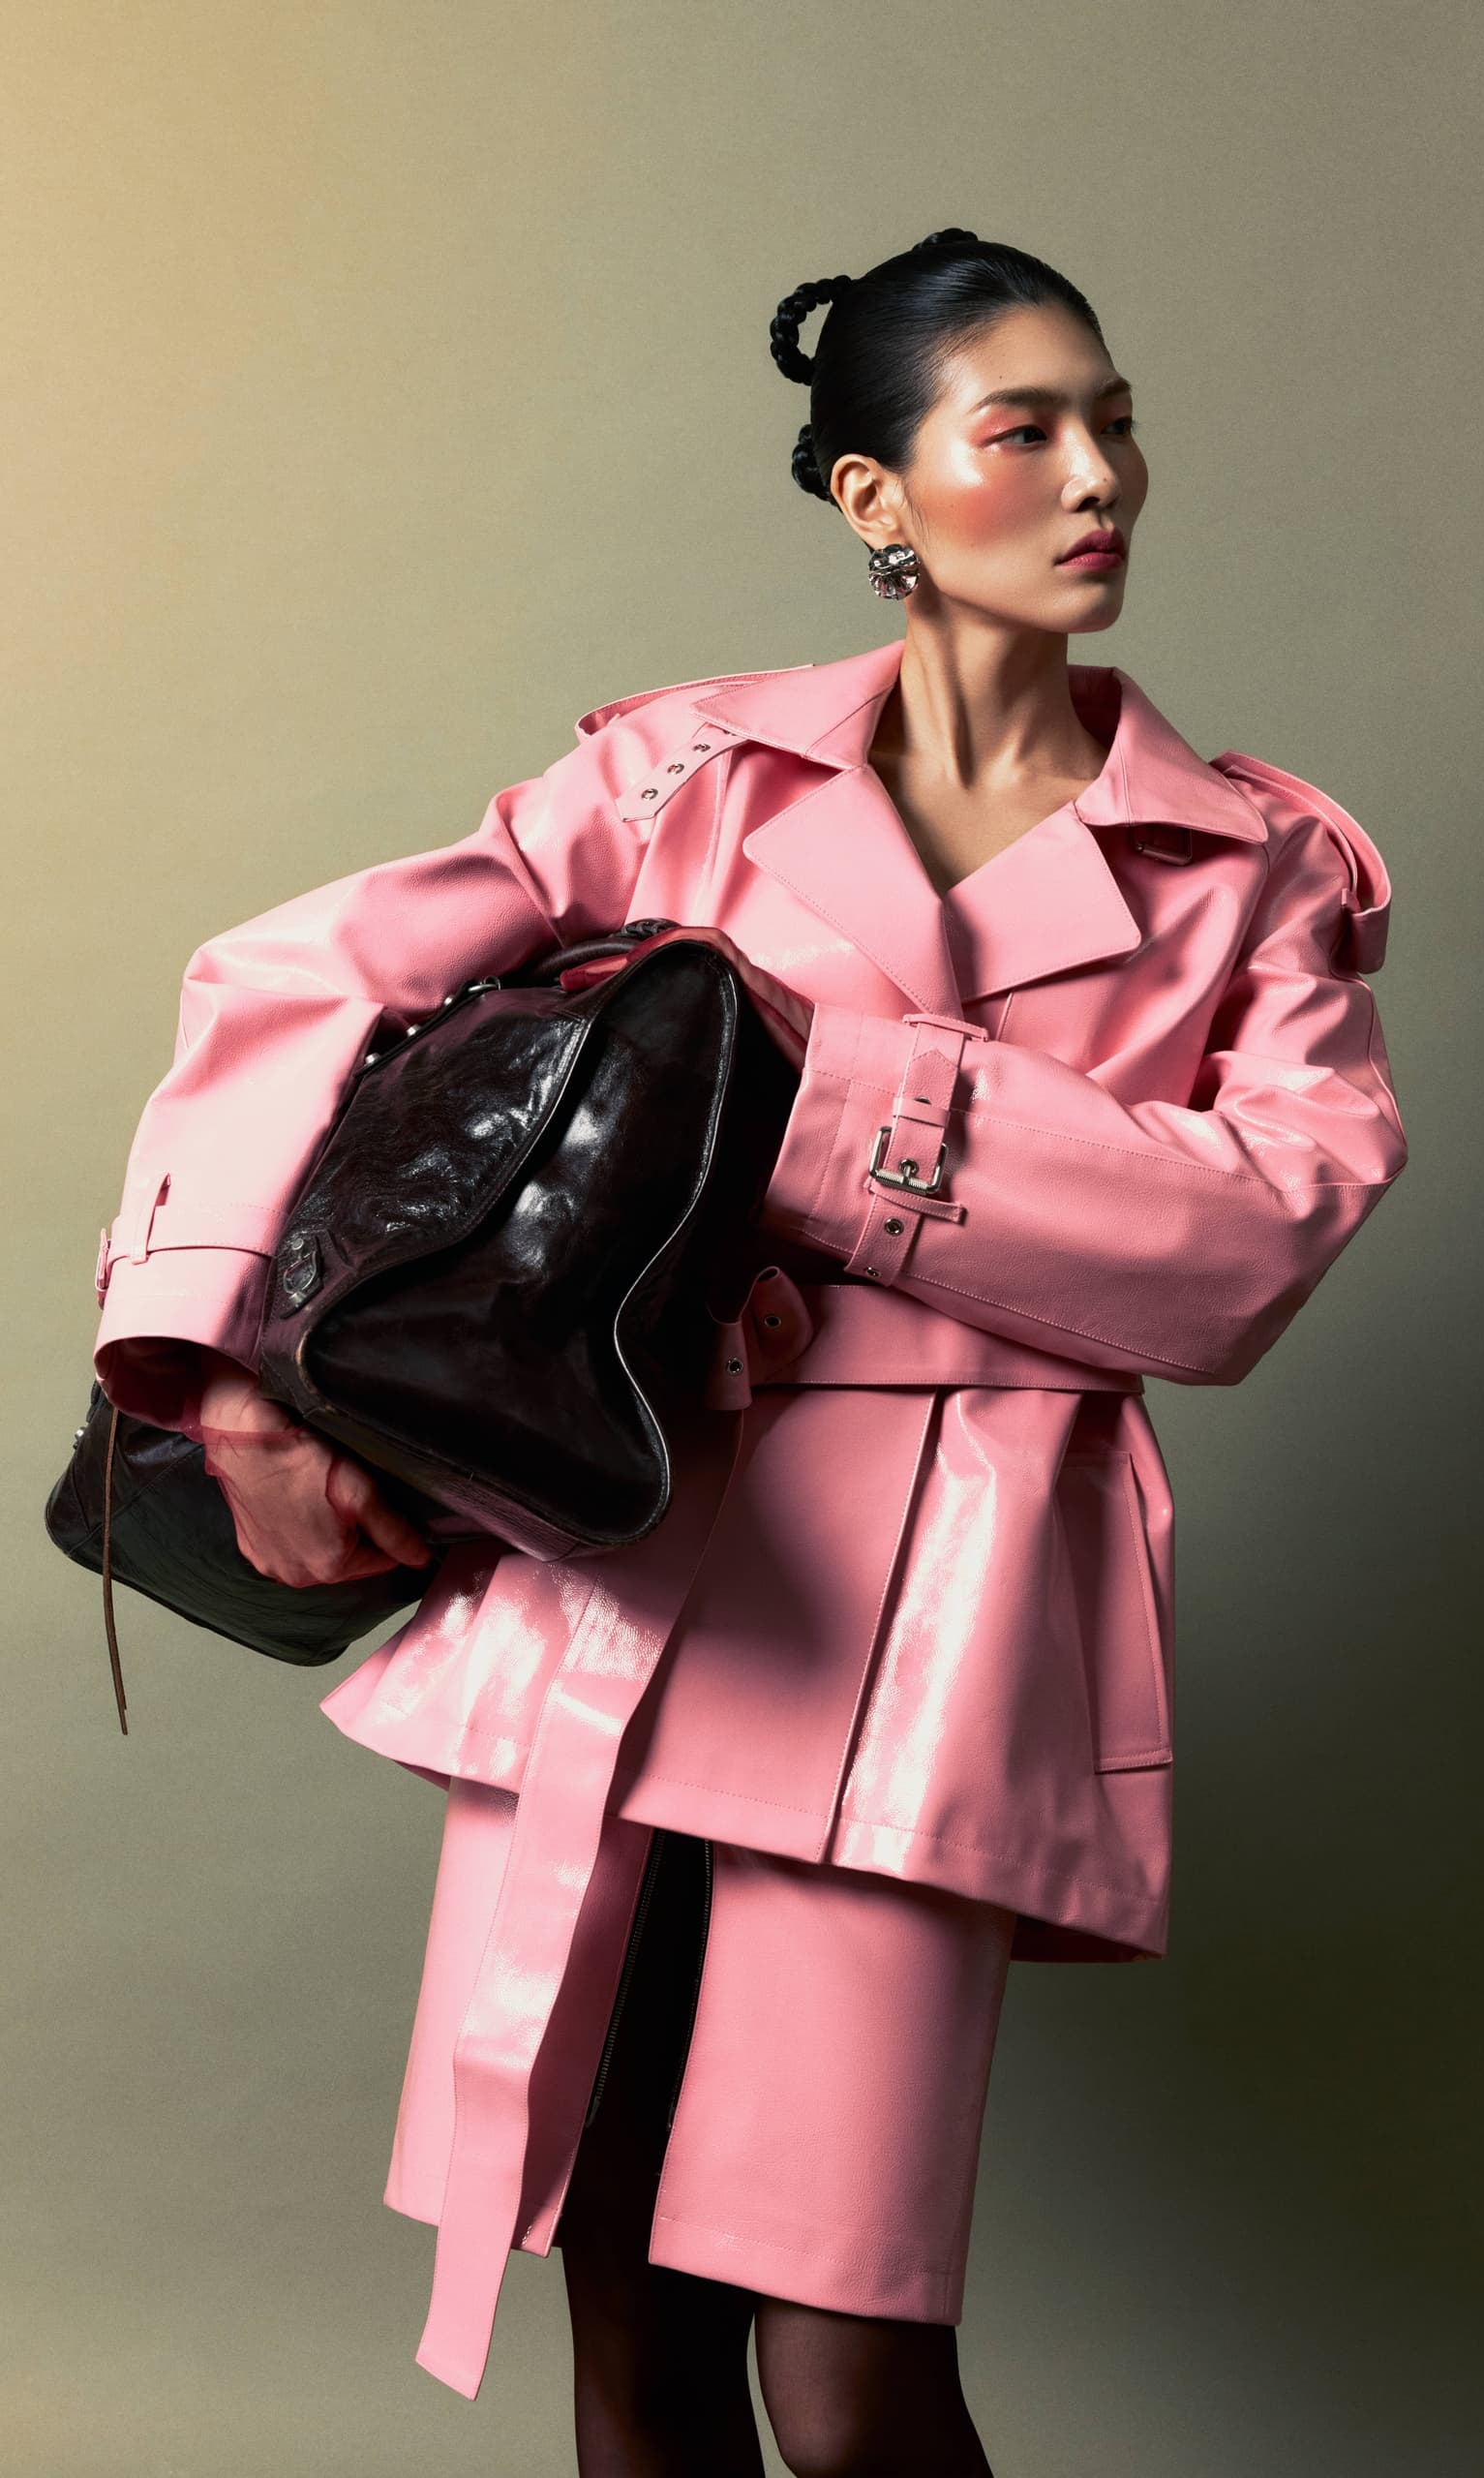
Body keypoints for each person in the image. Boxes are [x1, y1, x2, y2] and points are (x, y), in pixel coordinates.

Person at [93, 228, 1408, 2475]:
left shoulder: (1246, 874)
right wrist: (222, 1381)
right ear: (874, 498)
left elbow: (1244, 1243)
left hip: (936, 1637)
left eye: (1116, 422)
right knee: (633, 2354)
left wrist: (820, 1103)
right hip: (604, 1561)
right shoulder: (680, 776)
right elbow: (295, 974)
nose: (1100, 476)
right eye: (1025, 429)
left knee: (852, 2378)